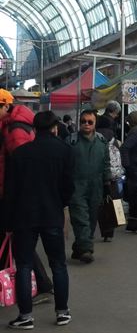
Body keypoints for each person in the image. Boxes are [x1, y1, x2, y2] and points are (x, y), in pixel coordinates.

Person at [5, 111, 74, 329]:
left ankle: (25, 316)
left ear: (34, 129)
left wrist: (6, 222)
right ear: (54, 128)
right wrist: (60, 204)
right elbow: (69, 187)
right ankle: (62, 312)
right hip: (52, 215)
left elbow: (10, 191)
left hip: (24, 217)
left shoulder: (20, 153)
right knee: (59, 265)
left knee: (24, 266)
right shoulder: (65, 151)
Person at [0, 89, 54, 305]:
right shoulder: (11, 124)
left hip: (15, 196)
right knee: (14, 240)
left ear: (5, 106)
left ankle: (42, 284)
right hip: (13, 194)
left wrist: (16, 198)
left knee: (19, 241)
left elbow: (24, 166)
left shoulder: (15, 130)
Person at [65, 110, 110, 262]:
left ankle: (79, 248)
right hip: (76, 185)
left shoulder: (102, 141)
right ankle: (86, 249)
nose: (86, 124)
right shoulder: (71, 141)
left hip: (96, 186)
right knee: (80, 217)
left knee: (91, 219)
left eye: (90, 122)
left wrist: (107, 182)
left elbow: (106, 163)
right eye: (83, 121)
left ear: (95, 123)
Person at [96, 116, 125, 242]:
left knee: (99, 205)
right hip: (113, 176)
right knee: (113, 202)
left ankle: (98, 230)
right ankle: (110, 232)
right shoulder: (115, 140)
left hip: (97, 176)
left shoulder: (94, 137)